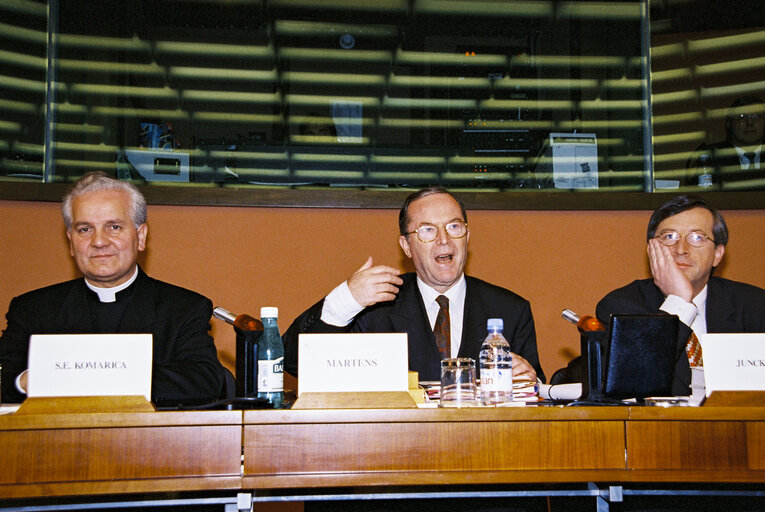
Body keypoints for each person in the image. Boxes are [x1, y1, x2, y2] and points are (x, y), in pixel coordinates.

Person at [0, 172, 226, 405]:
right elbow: (3, 373)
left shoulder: (184, 309)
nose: (99, 242)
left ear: (140, 236)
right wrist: (25, 381)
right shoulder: (32, 310)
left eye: (114, 227)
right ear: (71, 241)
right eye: (85, 229)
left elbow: (205, 381)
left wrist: (92, 378)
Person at [283, 186, 545, 383]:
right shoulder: (376, 309)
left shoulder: (511, 309)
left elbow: (536, 393)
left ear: (467, 237)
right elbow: (294, 362)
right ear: (406, 246)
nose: (444, 239)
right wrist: (345, 301)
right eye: (427, 230)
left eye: (454, 226)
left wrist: (530, 383)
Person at [596, 194, 765, 395]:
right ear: (651, 250)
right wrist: (678, 301)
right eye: (669, 237)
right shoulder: (621, 307)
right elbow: (632, 385)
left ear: (717, 254)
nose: (681, 250)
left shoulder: (755, 305)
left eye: (697, 237)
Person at [686, 96, 765, 189]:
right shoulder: (711, 157)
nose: (750, 122)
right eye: (741, 117)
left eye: (756, 116)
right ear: (729, 123)